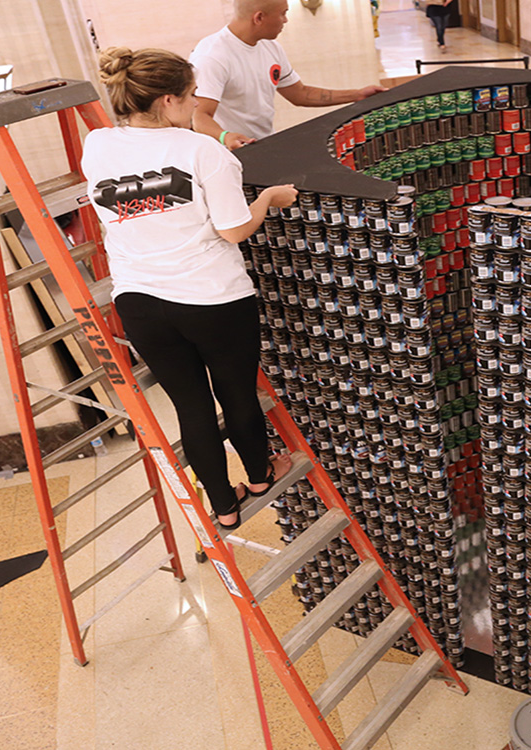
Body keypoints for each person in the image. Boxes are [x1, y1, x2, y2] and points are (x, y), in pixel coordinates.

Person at [82, 47, 297, 531]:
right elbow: (233, 230)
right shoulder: (203, 152)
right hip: (212, 298)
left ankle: (224, 508)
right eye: (191, 94)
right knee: (237, 394)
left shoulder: (96, 144)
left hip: (139, 301)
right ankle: (260, 478)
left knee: (191, 406)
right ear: (167, 100)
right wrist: (269, 198)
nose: (197, 101)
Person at [189, 0, 387, 149]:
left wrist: (357, 95)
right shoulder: (212, 56)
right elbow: (199, 116)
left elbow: (299, 94)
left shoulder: (271, 46)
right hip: (230, 154)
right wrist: (226, 137)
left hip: (264, 145)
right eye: (283, 14)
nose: (286, 20)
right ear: (259, 18)